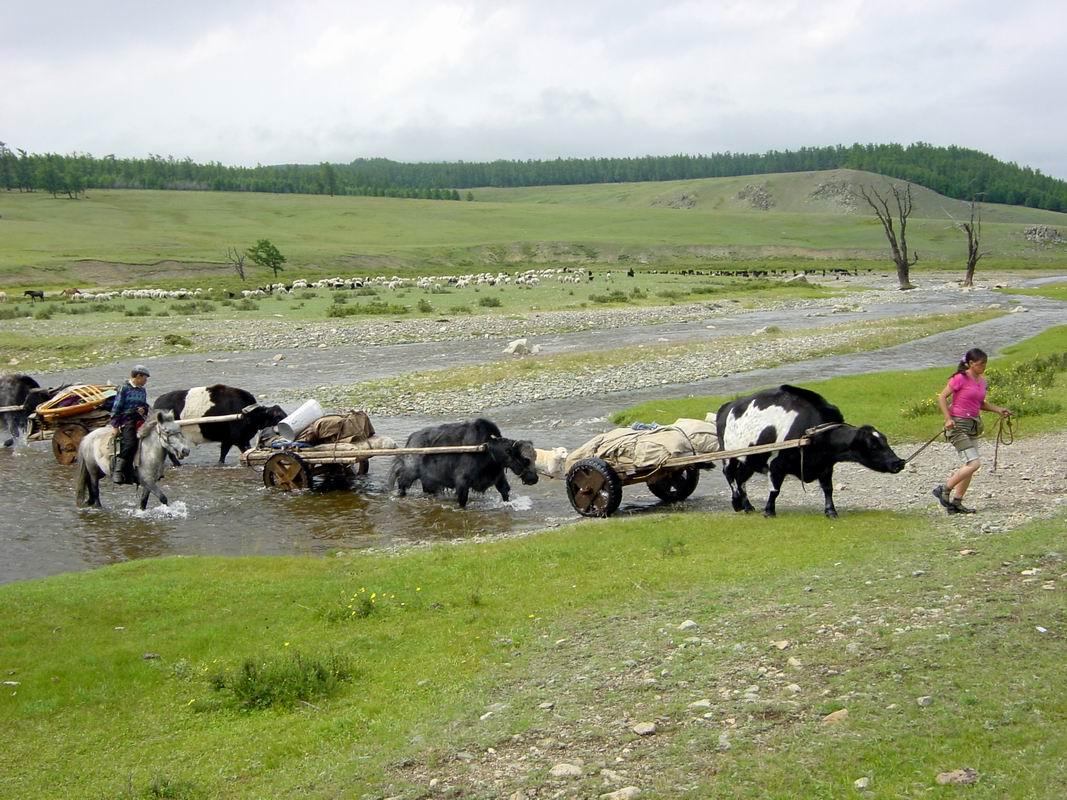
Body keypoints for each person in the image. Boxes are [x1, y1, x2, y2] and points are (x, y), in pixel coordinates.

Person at [932, 348, 1011, 514]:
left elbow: (980, 404)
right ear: (970, 364)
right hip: (957, 425)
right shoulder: (960, 378)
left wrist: (999, 410)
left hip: (973, 424)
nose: (984, 366)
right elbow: (941, 397)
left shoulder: (982, 381)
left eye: (985, 363)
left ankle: (957, 502)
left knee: (970, 466)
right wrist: (948, 419)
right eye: (980, 364)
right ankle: (943, 489)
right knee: (974, 464)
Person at [109, 365, 151, 484]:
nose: (146, 381)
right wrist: (115, 426)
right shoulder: (124, 388)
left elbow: (144, 405)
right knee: (131, 443)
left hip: (140, 420)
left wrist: (144, 409)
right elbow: (116, 407)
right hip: (126, 420)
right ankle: (118, 470)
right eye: (145, 378)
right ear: (138, 376)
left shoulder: (142, 390)